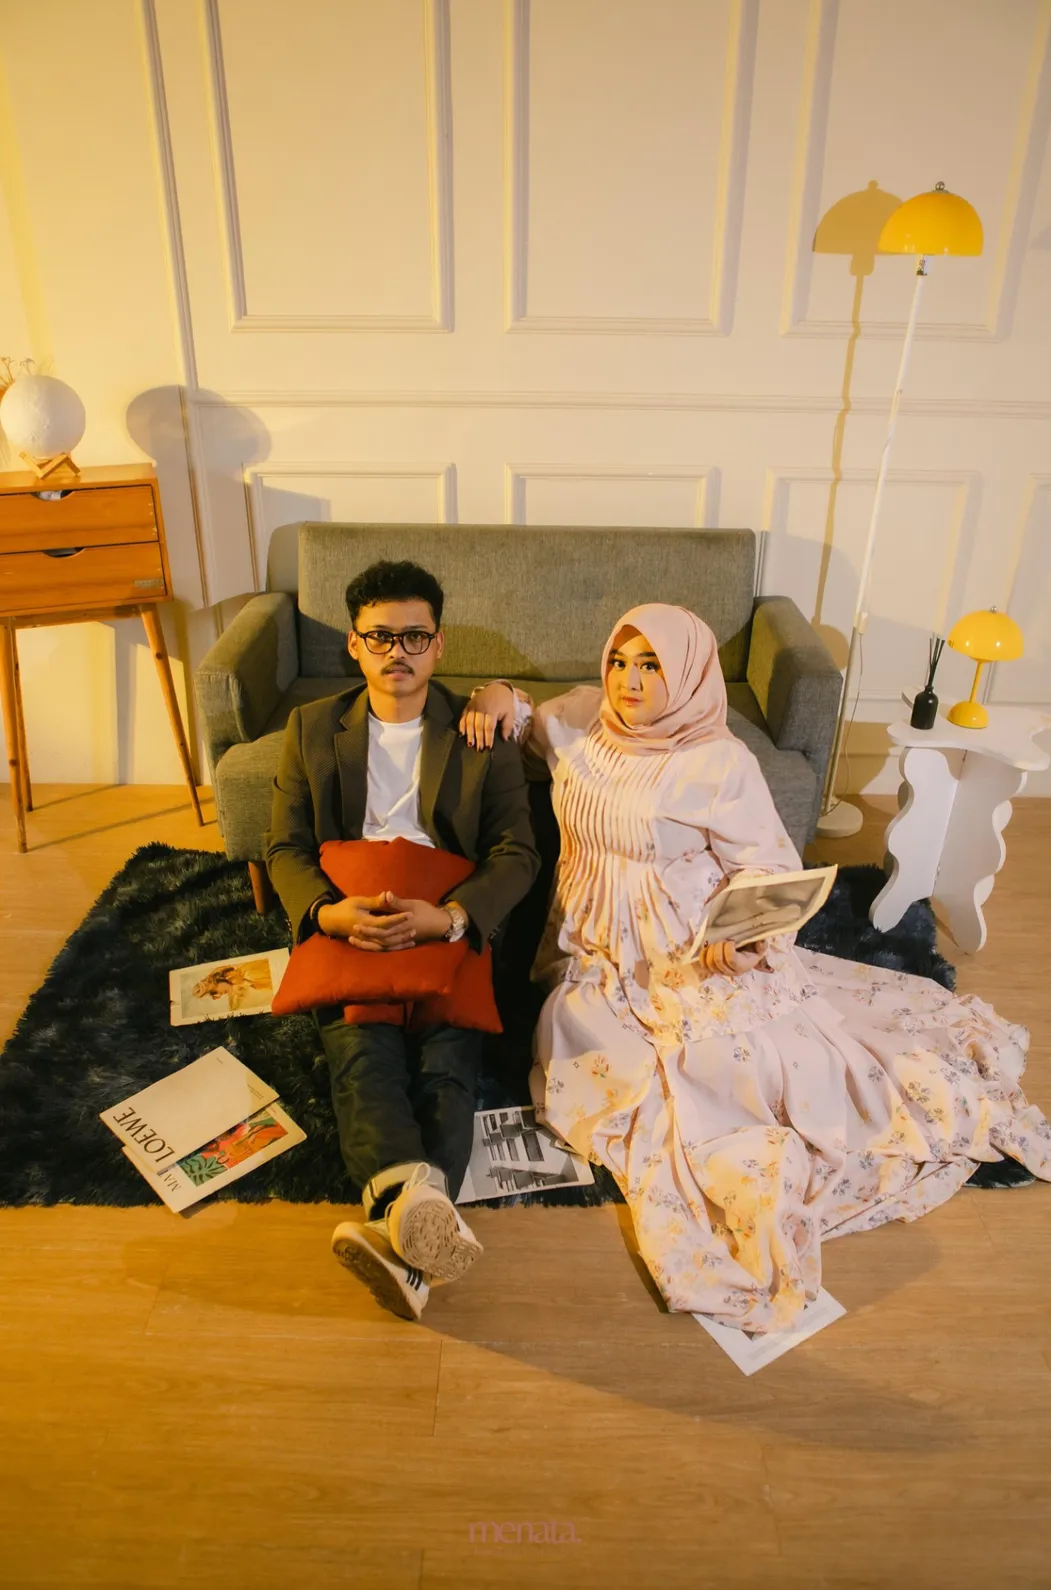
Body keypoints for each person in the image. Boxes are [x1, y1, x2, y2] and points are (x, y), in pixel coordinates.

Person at [460, 604, 1051, 1333]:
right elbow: (521, 716)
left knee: (731, 1069)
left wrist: (741, 939)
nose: (628, 681)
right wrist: (495, 693)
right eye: (619, 661)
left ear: (687, 675)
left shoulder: (719, 762)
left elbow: (768, 867)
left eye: (651, 666)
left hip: (689, 939)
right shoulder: (582, 720)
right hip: (595, 945)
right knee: (580, 1042)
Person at [265, 560, 539, 1320]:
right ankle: (417, 1218)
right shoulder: (311, 728)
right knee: (361, 1052)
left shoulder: (479, 732)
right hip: (349, 913)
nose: (398, 652)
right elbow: (283, 847)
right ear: (354, 645)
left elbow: (517, 853)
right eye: (380, 636)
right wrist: (327, 915)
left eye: (414, 636)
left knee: (448, 1058)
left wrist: (450, 918)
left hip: (443, 912)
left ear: (438, 644)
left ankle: (396, 1222)